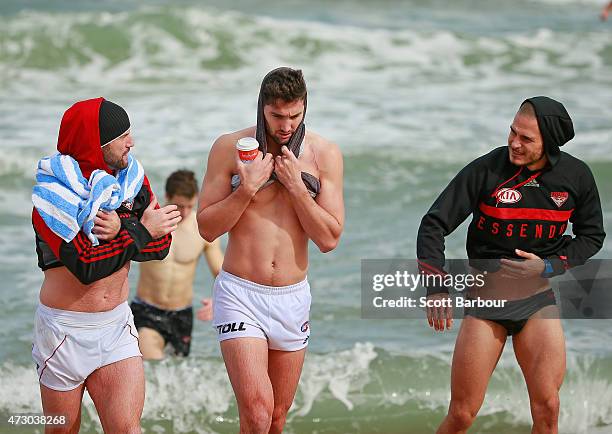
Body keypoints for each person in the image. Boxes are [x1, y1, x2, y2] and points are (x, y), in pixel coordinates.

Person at [417, 96, 605, 434]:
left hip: (538, 301)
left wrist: (549, 266)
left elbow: (592, 235)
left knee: (548, 409)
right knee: (462, 414)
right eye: (512, 132)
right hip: (486, 303)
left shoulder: (575, 177)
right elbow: (434, 224)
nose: (514, 143)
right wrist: (435, 287)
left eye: (526, 138)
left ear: (550, 142)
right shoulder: (487, 169)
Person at [197, 67, 344, 434]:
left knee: (277, 418)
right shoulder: (229, 148)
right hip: (240, 293)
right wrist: (245, 190)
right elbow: (207, 228)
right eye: (277, 116)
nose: (286, 125)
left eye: (295, 115)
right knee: (258, 414)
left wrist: (296, 186)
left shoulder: (324, 154)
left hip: (292, 298)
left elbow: (328, 239)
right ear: (262, 108)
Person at [31, 97, 180, 433]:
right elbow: (87, 265)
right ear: (95, 144)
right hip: (63, 333)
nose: (132, 142)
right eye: (122, 136)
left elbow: (160, 244)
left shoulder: (131, 180)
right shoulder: (52, 200)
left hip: (116, 327)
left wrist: (124, 228)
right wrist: (138, 229)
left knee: (127, 429)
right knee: (62, 429)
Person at [131, 169, 224, 360]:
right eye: (179, 206)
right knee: (152, 362)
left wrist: (219, 300)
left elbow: (221, 272)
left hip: (182, 315)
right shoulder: (148, 223)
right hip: (147, 310)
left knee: (176, 371)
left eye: (190, 206)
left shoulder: (202, 229)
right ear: (167, 196)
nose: (185, 212)